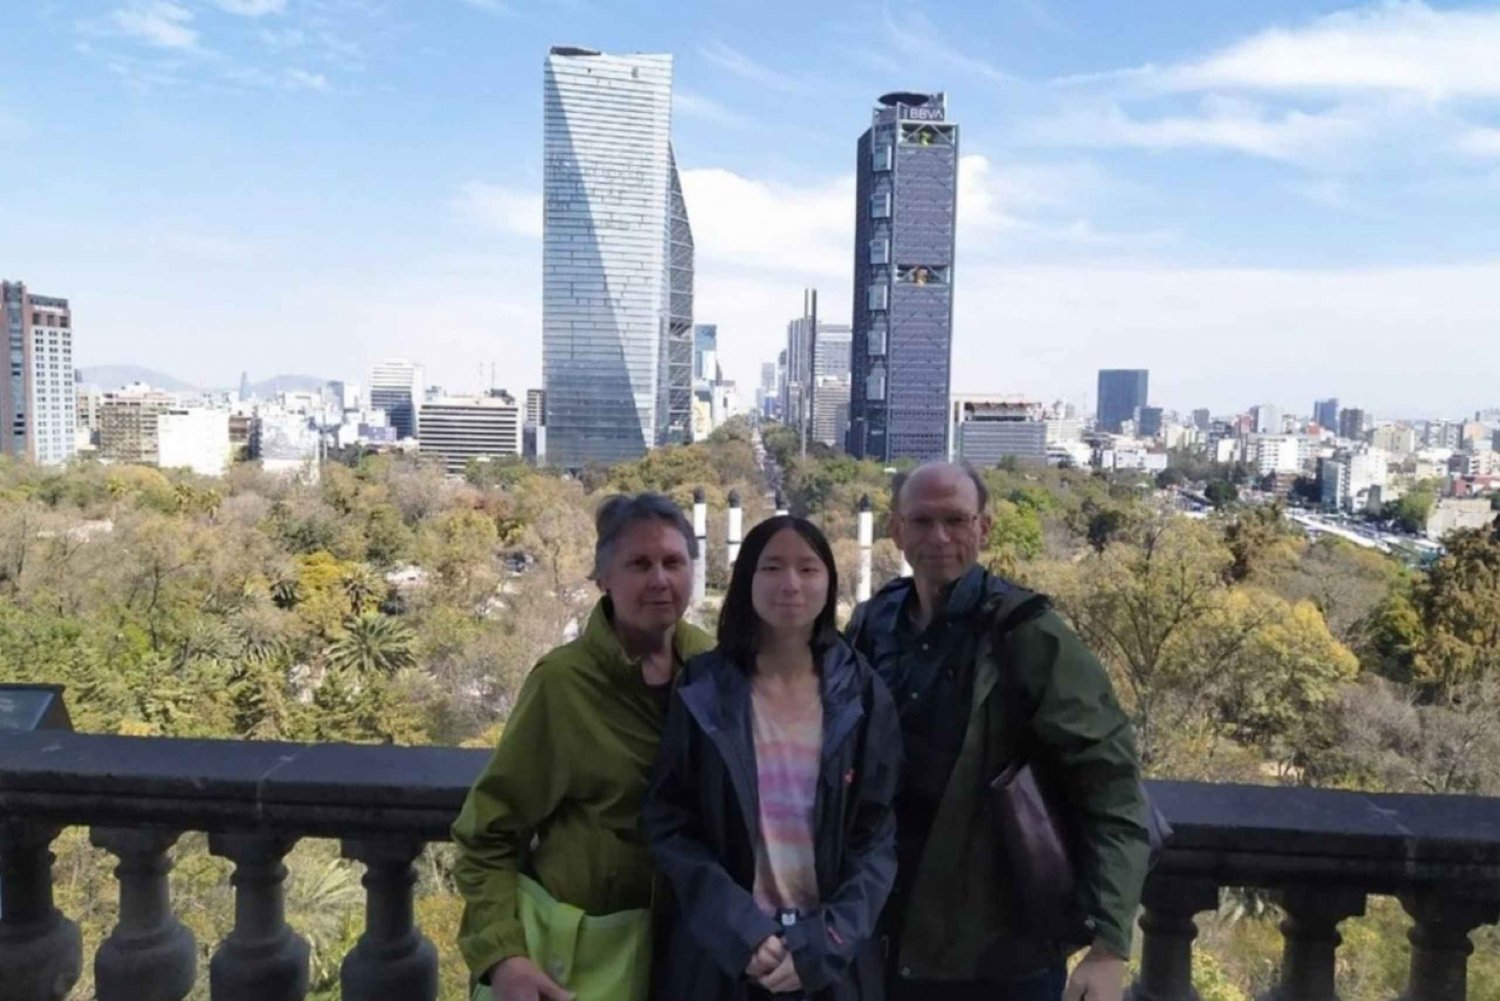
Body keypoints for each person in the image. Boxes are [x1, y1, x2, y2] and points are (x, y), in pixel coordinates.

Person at [846, 462, 1150, 1001]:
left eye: (956, 519)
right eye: (921, 520)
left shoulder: (1028, 634)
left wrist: (1108, 945)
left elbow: (1111, 785)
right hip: (887, 933)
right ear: (895, 530)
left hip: (1000, 951)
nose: (939, 536)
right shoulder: (873, 624)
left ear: (984, 528)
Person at [452, 493, 716, 1001]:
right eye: (639, 564)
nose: (660, 579)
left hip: (691, 955)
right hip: (578, 961)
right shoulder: (564, 684)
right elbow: (487, 833)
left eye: (673, 562)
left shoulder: (712, 665)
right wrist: (503, 957)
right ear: (604, 578)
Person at [644, 515, 901, 1001]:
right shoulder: (702, 689)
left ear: (829, 581)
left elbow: (878, 834)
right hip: (725, 959)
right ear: (747, 582)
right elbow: (669, 822)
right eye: (772, 568)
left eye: (808, 569)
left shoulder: (861, 693)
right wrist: (740, 929)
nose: (790, 585)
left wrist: (825, 942)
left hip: (828, 964)